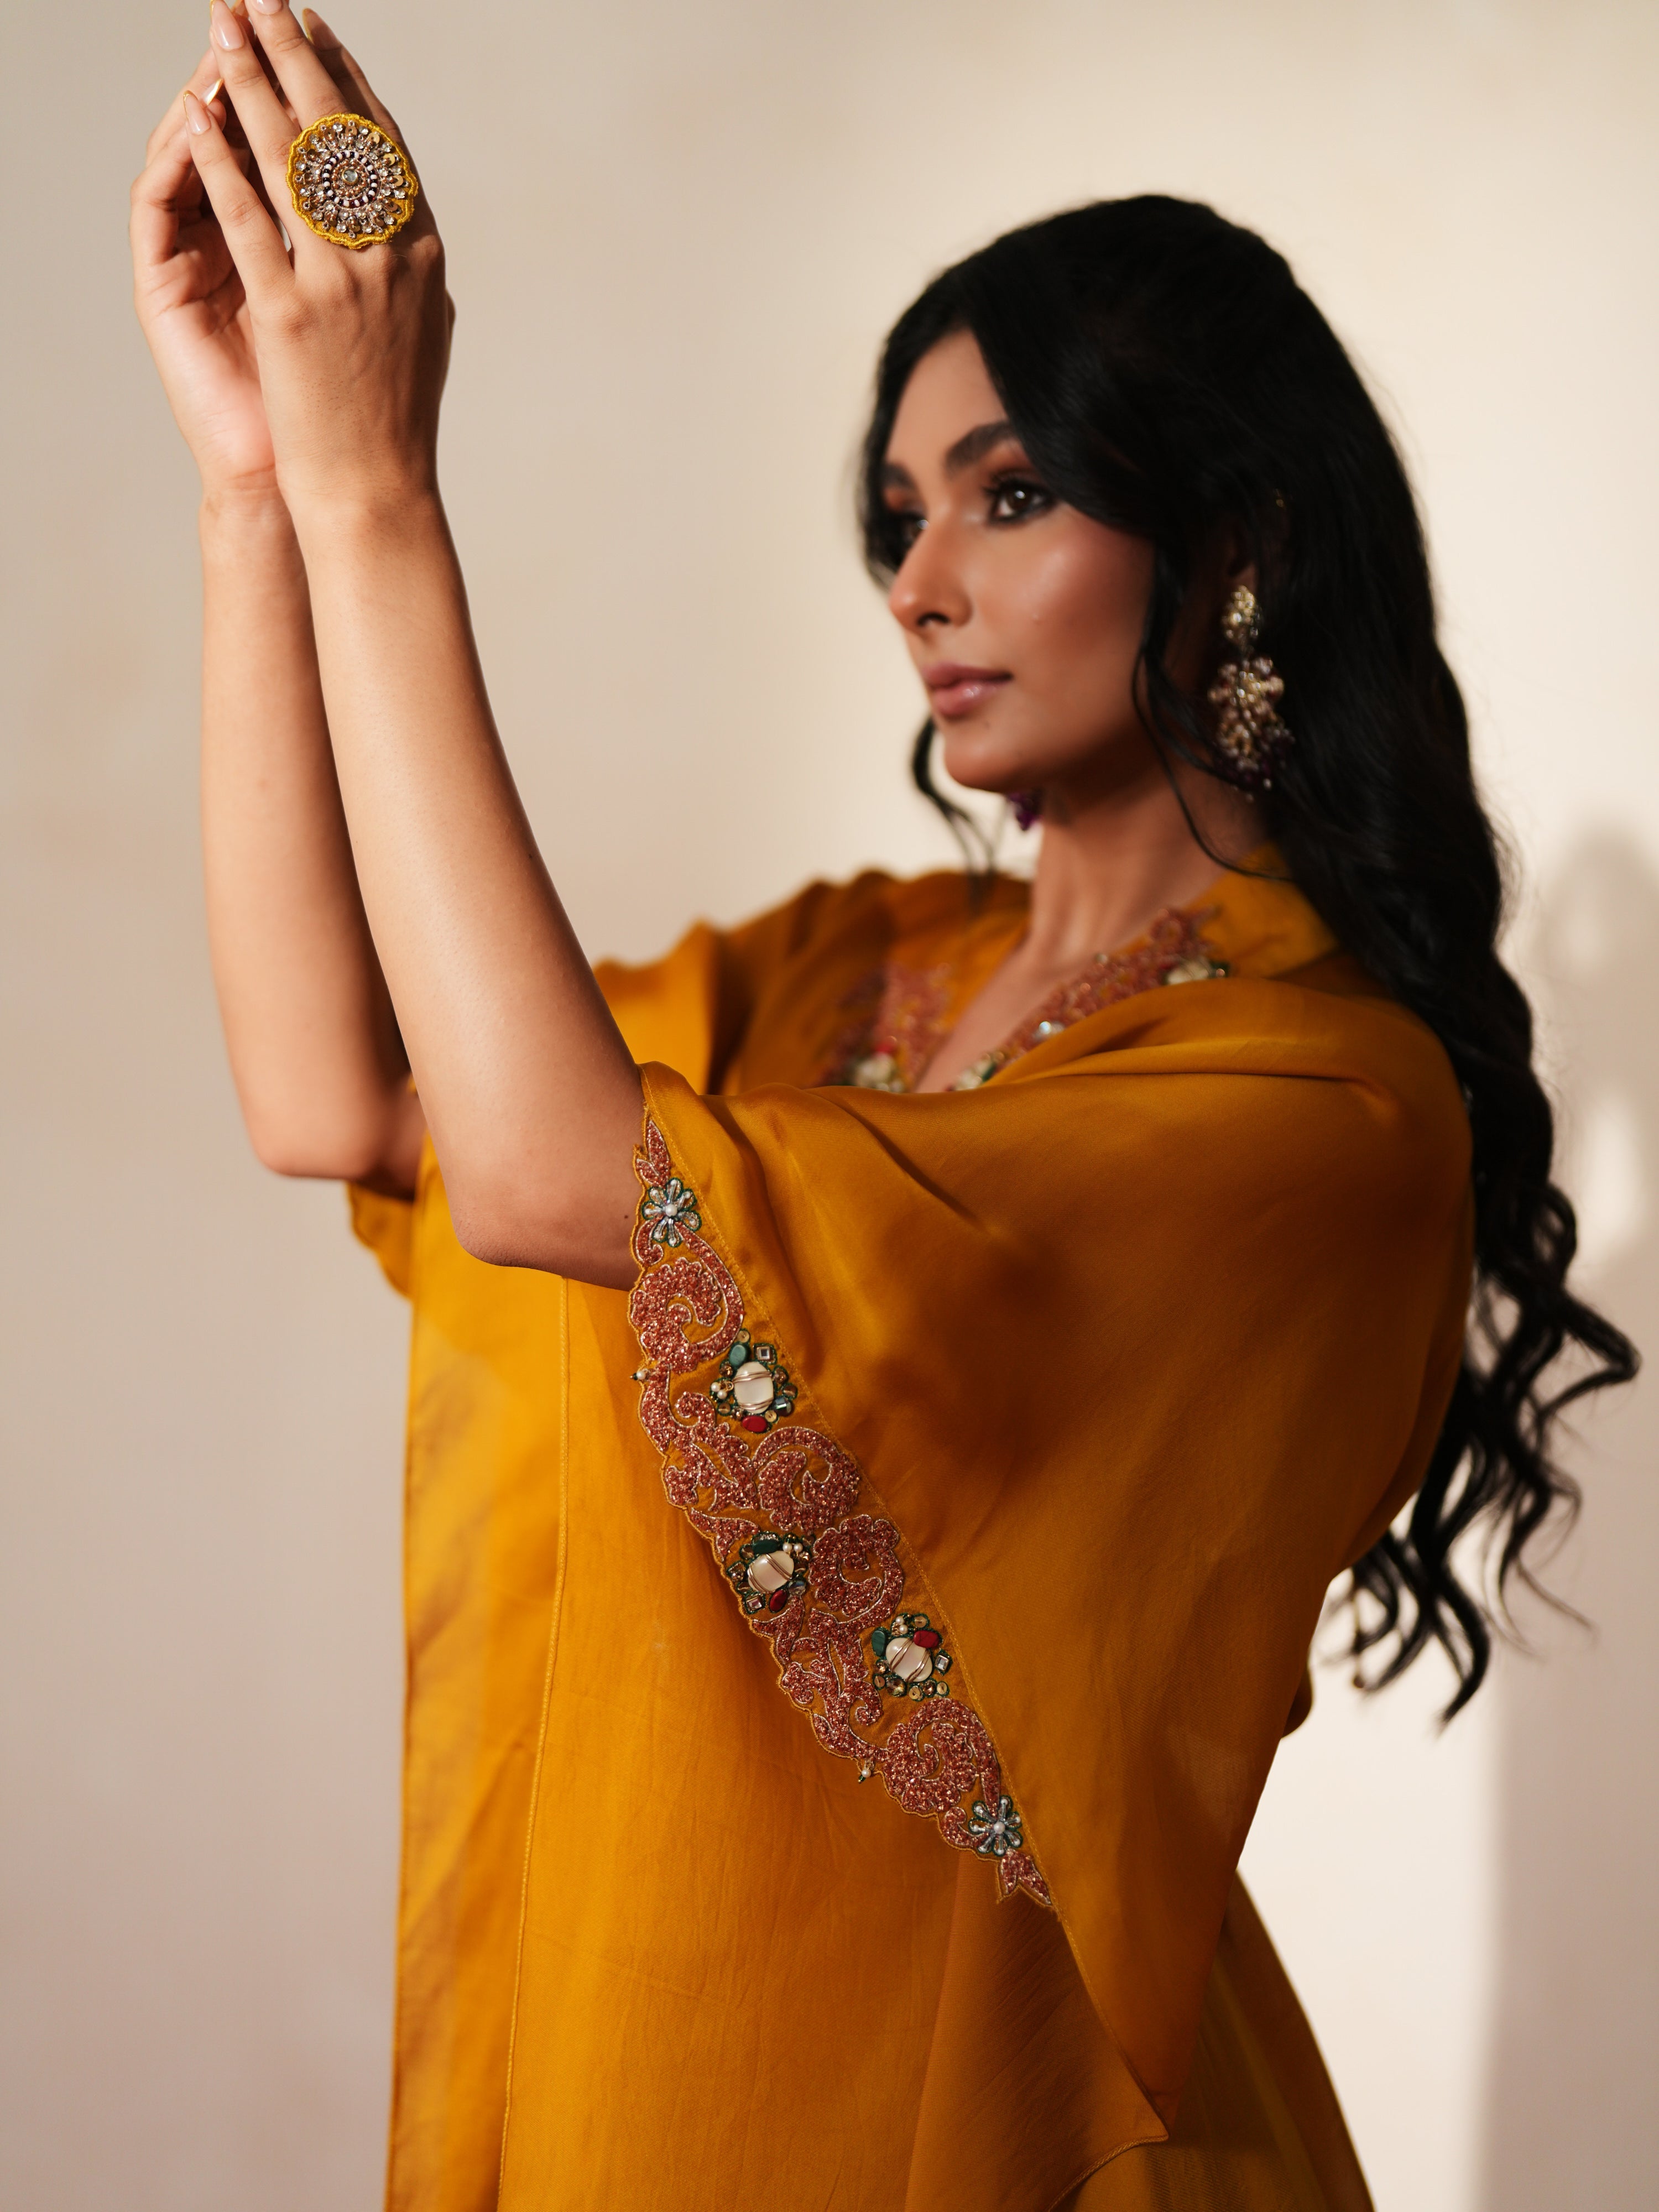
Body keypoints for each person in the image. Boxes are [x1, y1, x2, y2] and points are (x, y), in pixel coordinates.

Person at [130, 9, 1634, 2209]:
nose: (921, 577)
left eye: (1012, 496)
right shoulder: (852, 971)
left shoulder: (1322, 1111)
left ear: (1233, 540)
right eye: (900, 515)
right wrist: (264, 495)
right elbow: (339, 1090)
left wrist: (383, 494)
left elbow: (556, 1176)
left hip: (1043, 2148)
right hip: (676, 2075)